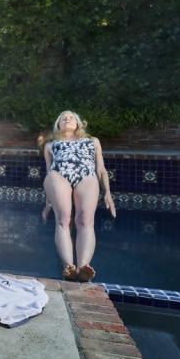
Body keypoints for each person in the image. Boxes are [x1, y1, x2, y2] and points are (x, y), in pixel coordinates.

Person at [38, 110, 116, 282]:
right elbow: (49, 172)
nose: (67, 119)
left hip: (86, 176)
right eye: (63, 118)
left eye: (71, 117)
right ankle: (69, 267)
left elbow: (101, 170)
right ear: (58, 125)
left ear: (78, 123)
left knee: (85, 220)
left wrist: (108, 193)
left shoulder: (92, 141)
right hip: (59, 175)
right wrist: (48, 203)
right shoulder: (50, 145)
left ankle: (83, 267)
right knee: (63, 219)